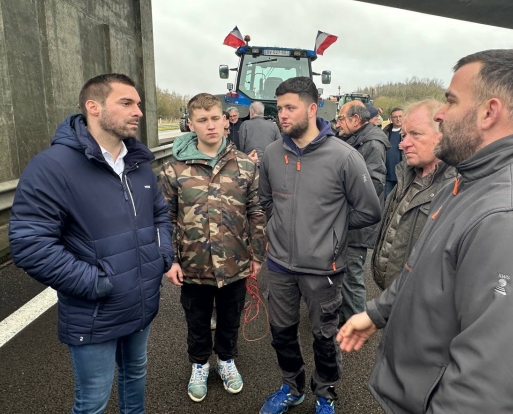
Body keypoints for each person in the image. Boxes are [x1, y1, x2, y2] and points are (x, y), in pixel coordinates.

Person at [338, 49, 513, 414]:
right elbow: (425, 269)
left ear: (489, 112)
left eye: (451, 101)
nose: (440, 113)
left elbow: (482, 389)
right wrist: (377, 312)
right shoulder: (472, 181)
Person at [8, 73, 175, 414]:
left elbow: (160, 215)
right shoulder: (52, 167)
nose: (139, 112)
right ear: (93, 107)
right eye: (127, 103)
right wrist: (95, 282)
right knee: (93, 401)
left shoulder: (139, 165)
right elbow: (29, 243)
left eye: (139, 104)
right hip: (94, 310)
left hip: (141, 303)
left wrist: (162, 255)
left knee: (136, 378)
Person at [258, 77, 381, 414]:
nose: (282, 114)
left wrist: (332, 230)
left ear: (312, 109)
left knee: (325, 337)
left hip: (323, 270)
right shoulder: (271, 153)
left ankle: (325, 394)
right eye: (279, 107)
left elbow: (370, 210)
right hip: (280, 266)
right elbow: (266, 201)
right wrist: (279, 230)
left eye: (290, 107)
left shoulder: (345, 157)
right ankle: (292, 387)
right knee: (281, 333)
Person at [158, 93, 267, 403]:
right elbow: (164, 218)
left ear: (226, 121)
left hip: (235, 263)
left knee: (231, 316)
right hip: (193, 266)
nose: (210, 125)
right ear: (191, 124)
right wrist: (170, 260)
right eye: (202, 120)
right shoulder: (174, 169)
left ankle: (227, 360)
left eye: (215, 118)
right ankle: (200, 364)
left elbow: (256, 211)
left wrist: (257, 254)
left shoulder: (245, 165)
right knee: (197, 319)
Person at [372, 99, 455, 290]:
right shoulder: (406, 175)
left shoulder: (455, 189)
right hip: (392, 296)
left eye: (415, 134)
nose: (404, 144)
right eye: (403, 135)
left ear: (443, 135)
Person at [336, 101, 390, 325]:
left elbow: (373, 183)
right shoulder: (355, 138)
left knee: (352, 276)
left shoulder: (372, 144)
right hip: (351, 218)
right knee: (345, 273)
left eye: (341, 118)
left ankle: (356, 324)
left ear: (355, 120)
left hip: (359, 222)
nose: (338, 123)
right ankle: (344, 316)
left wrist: (342, 199)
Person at [239, 101, 282, 165]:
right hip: (269, 162)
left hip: (251, 162)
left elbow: (241, 145)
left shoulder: (245, 124)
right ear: (263, 112)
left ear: (251, 112)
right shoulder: (273, 126)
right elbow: (280, 145)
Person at [382, 107, 404, 197]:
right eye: (395, 117)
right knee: (387, 202)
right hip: (388, 175)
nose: (398, 119)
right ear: (391, 118)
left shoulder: (409, 132)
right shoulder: (385, 133)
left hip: (403, 176)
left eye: (400, 116)